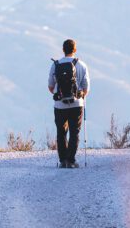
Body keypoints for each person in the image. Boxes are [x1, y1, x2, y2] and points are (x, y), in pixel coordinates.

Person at [48, 38, 90, 168]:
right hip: (76, 104)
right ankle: (71, 160)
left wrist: (60, 94)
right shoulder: (81, 65)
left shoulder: (55, 65)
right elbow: (86, 88)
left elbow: (50, 87)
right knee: (74, 132)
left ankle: (62, 161)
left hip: (60, 105)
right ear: (75, 50)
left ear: (63, 50)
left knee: (61, 132)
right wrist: (80, 96)